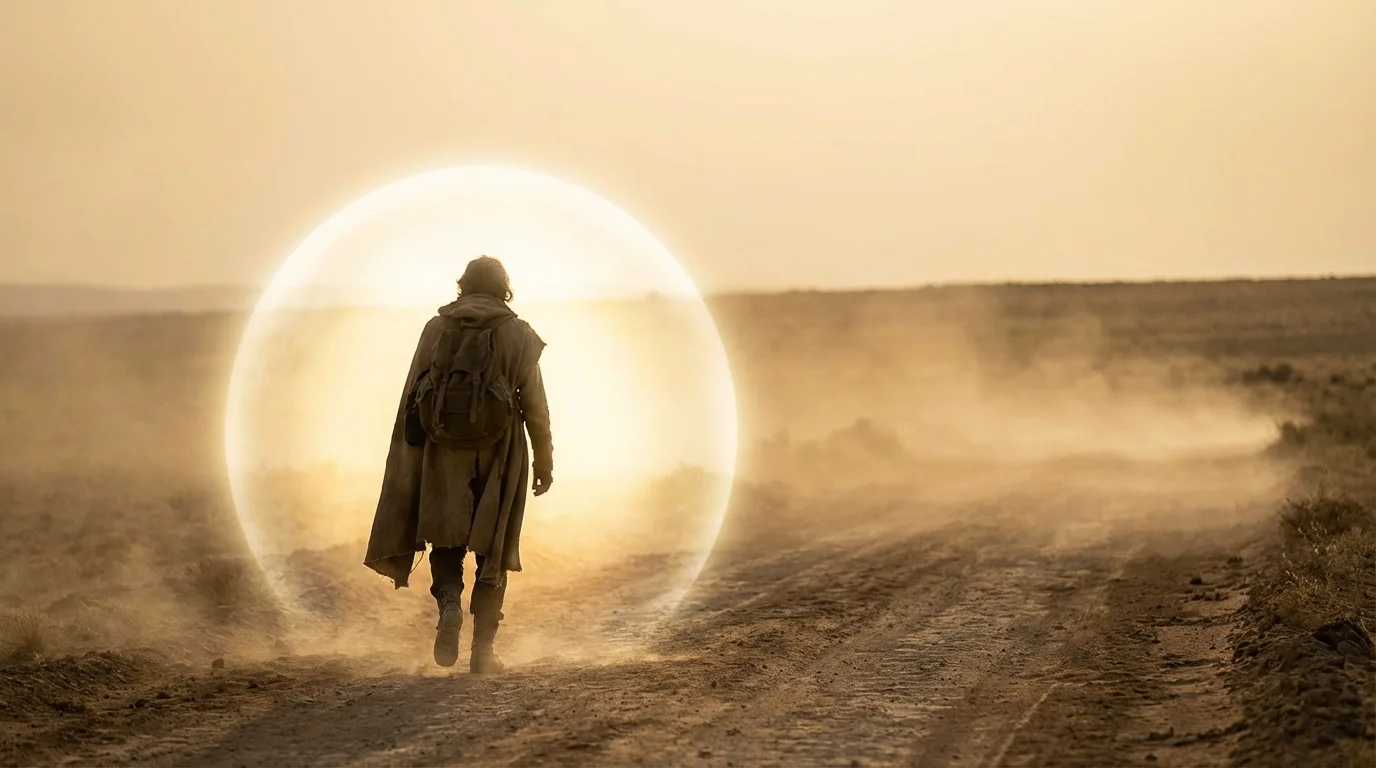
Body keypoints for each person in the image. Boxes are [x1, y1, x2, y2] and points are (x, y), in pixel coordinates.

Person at [364, 255, 553, 673]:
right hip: (501, 452)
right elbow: (535, 406)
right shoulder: (518, 333)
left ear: (463, 286)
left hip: (442, 450)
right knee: (494, 547)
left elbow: (412, 396)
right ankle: (483, 652)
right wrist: (544, 461)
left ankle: (449, 599)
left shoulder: (436, 328)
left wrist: (407, 464)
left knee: (445, 537)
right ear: (504, 288)